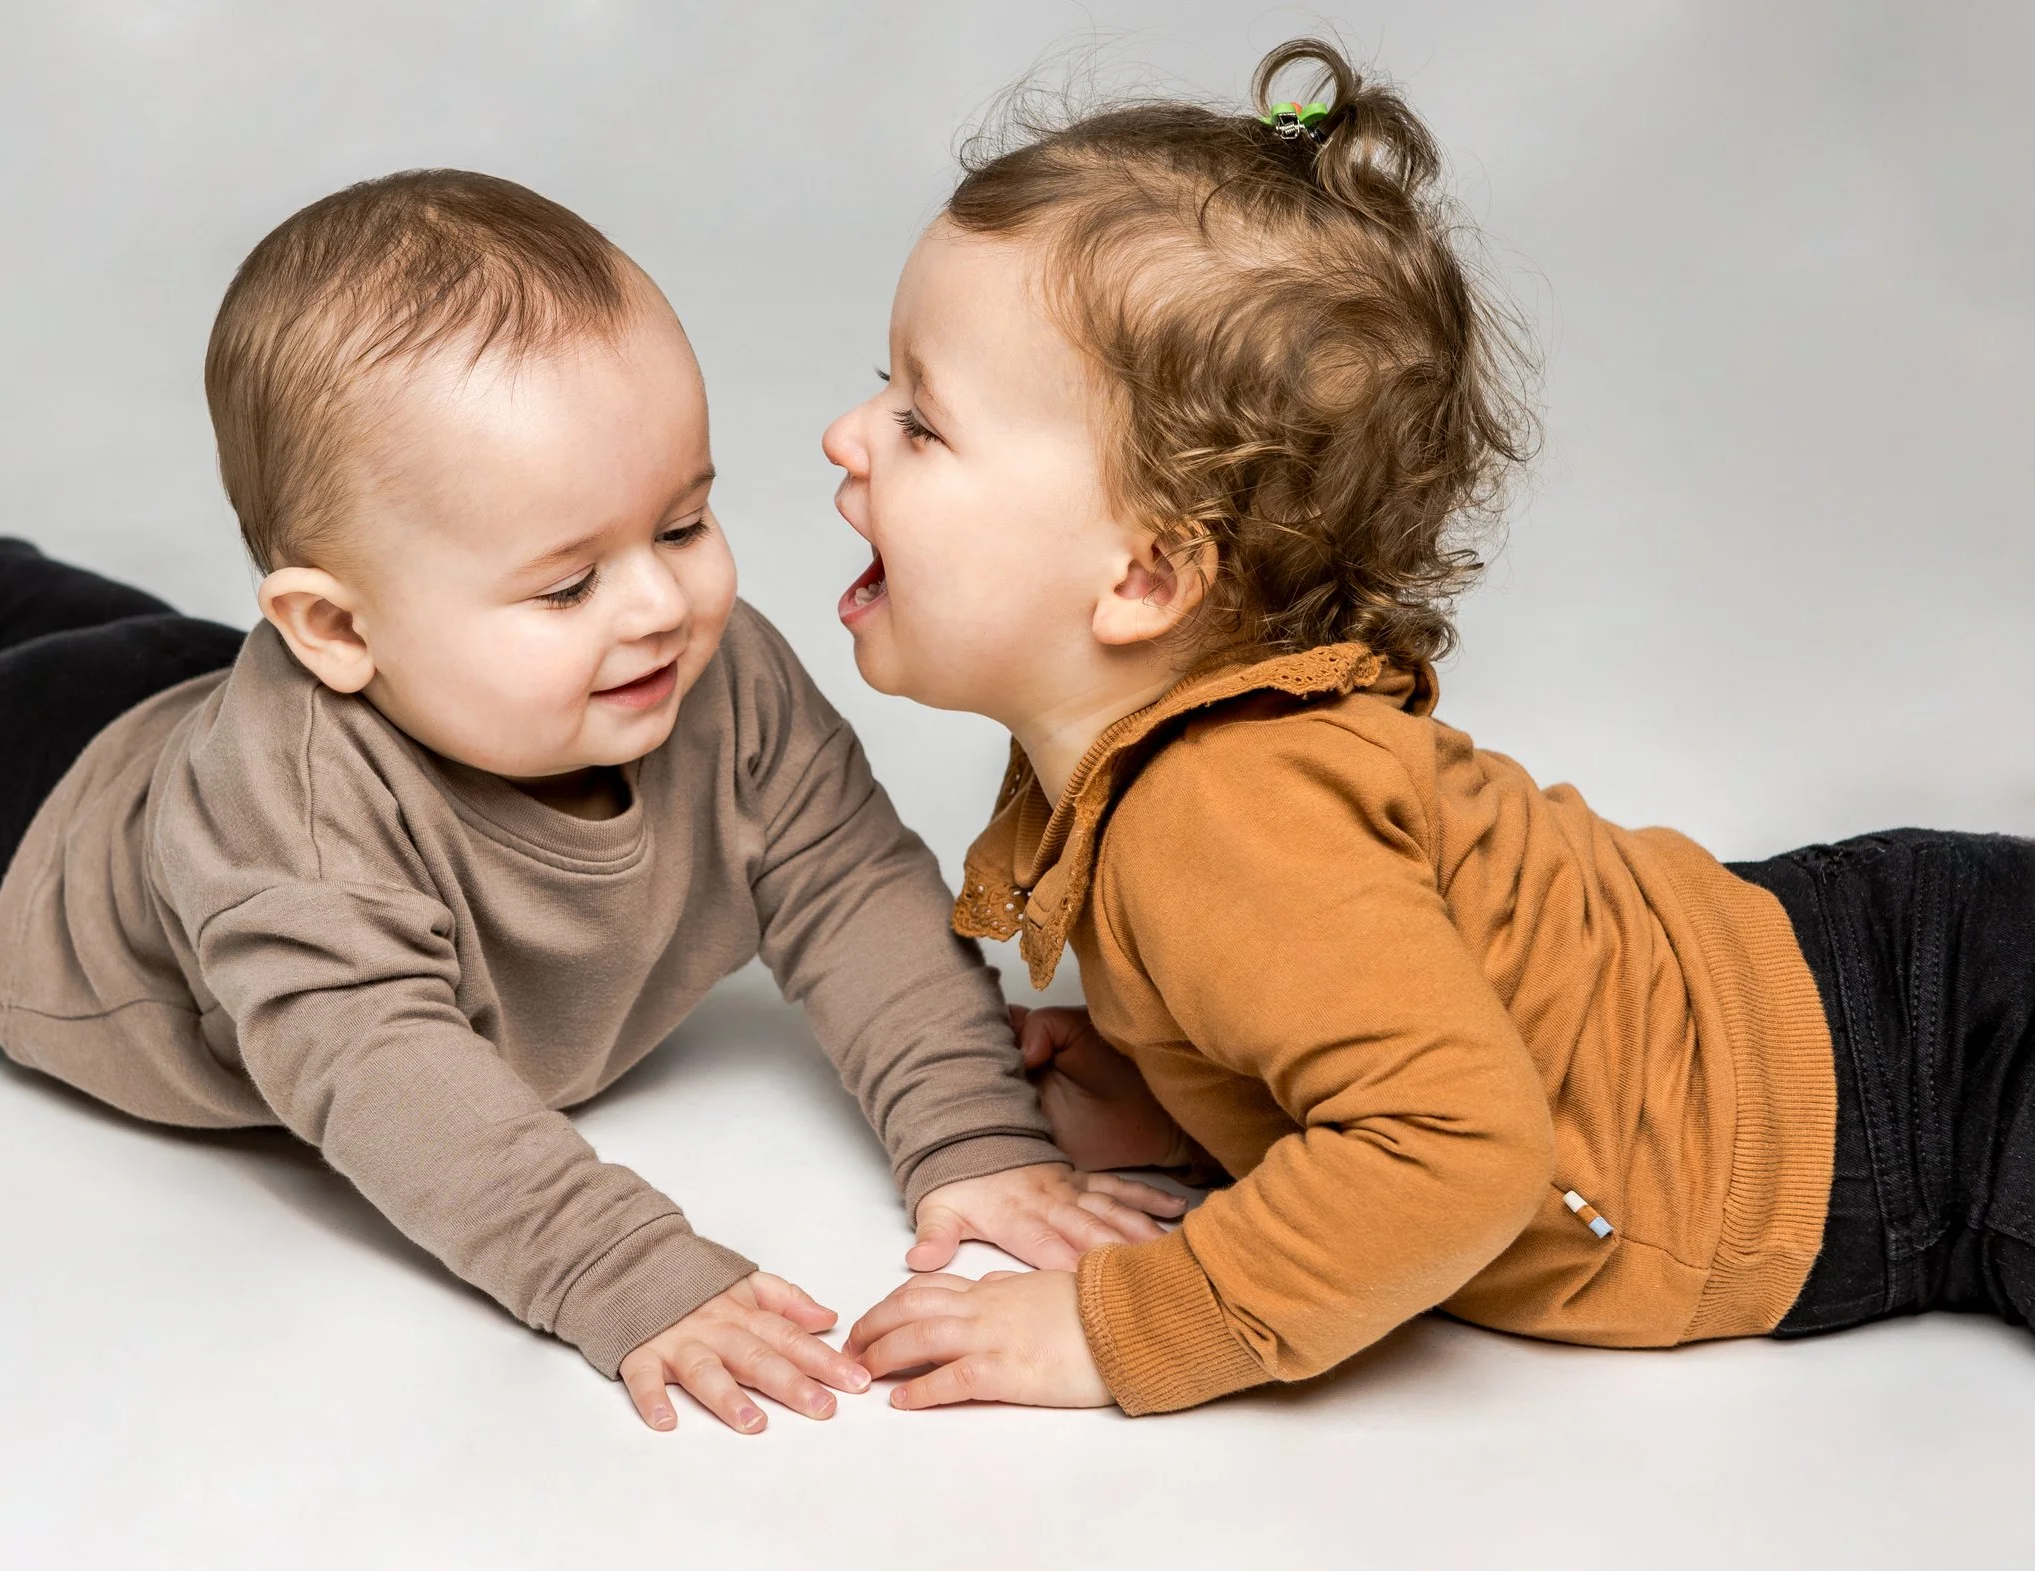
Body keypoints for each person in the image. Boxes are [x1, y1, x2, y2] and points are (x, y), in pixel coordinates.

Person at [0, 168, 1179, 1433]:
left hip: (193, 682)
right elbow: (383, 1072)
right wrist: (620, 1267)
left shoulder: (707, 672)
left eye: (681, 524)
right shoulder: (295, 824)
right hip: (22, 817)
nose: (662, 607)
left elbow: (848, 882)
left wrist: (966, 1129)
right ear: (334, 628)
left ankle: (18, 584)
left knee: (133, 649)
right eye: (564, 585)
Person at [830, 39, 2035, 1415]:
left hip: (1920, 1101)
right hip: (1853, 973)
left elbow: (1457, 1147)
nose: (844, 437)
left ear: (1147, 577)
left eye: (921, 422)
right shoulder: (1193, 766)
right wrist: (1191, 1093)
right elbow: (1410, 991)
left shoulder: (1221, 811)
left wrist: (1117, 1328)